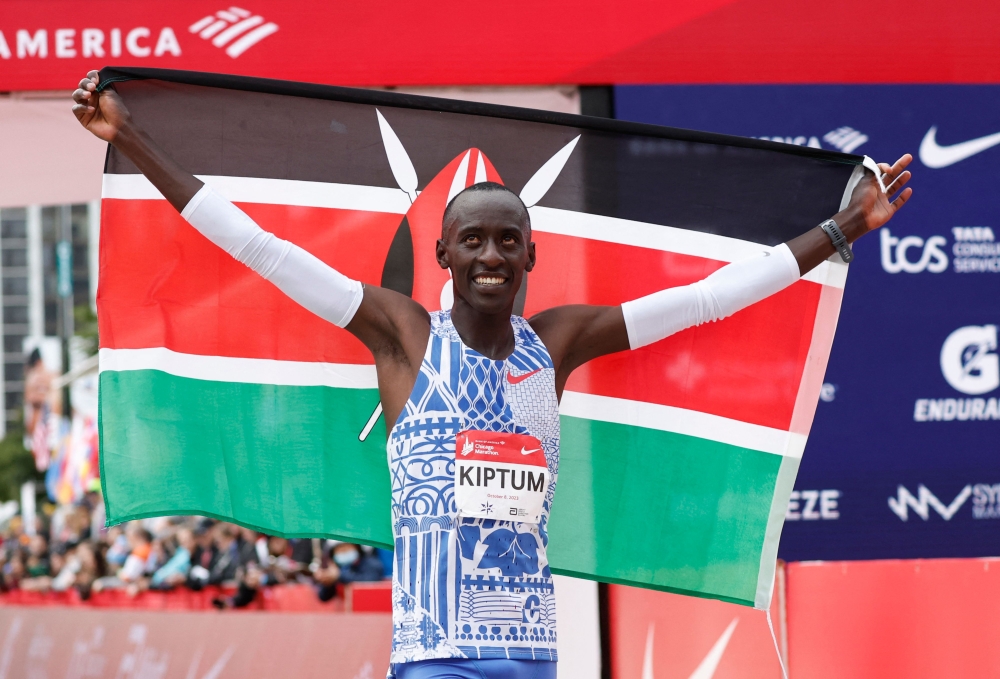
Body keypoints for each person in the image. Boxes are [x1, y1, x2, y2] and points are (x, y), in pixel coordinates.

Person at [72, 70, 912, 679]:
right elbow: (261, 248)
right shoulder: (401, 335)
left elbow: (707, 300)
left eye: (508, 240)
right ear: (441, 254)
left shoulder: (560, 341)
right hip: (434, 657)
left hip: (532, 654)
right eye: (472, 239)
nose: (490, 255)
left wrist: (840, 230)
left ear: (530, 257)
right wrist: (133, 140)